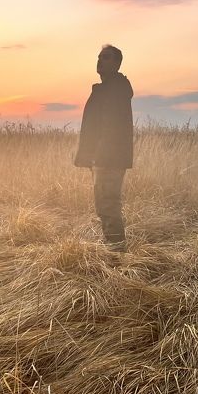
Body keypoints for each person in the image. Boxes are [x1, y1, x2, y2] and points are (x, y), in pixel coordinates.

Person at [74, 45, 133, 249]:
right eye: (99, 57)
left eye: (106, 57)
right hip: (103, 157)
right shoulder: (109, 88)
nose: (100, 60)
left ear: (117, 63)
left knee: (107, 205)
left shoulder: (114, 90)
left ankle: (116, 253)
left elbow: (111, 126)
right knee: (105, 204)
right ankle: (113, 247)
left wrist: (99, 154)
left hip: (108, 158)